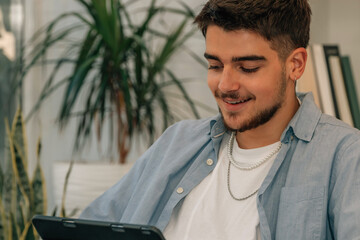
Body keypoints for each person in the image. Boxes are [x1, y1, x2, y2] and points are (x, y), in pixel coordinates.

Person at [80, 0, 360, 239]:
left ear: (295, 65)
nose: (225, 85)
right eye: (215, 65)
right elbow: (86, 228)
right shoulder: (176, 142)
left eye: (247, 68)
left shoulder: (345, 156)